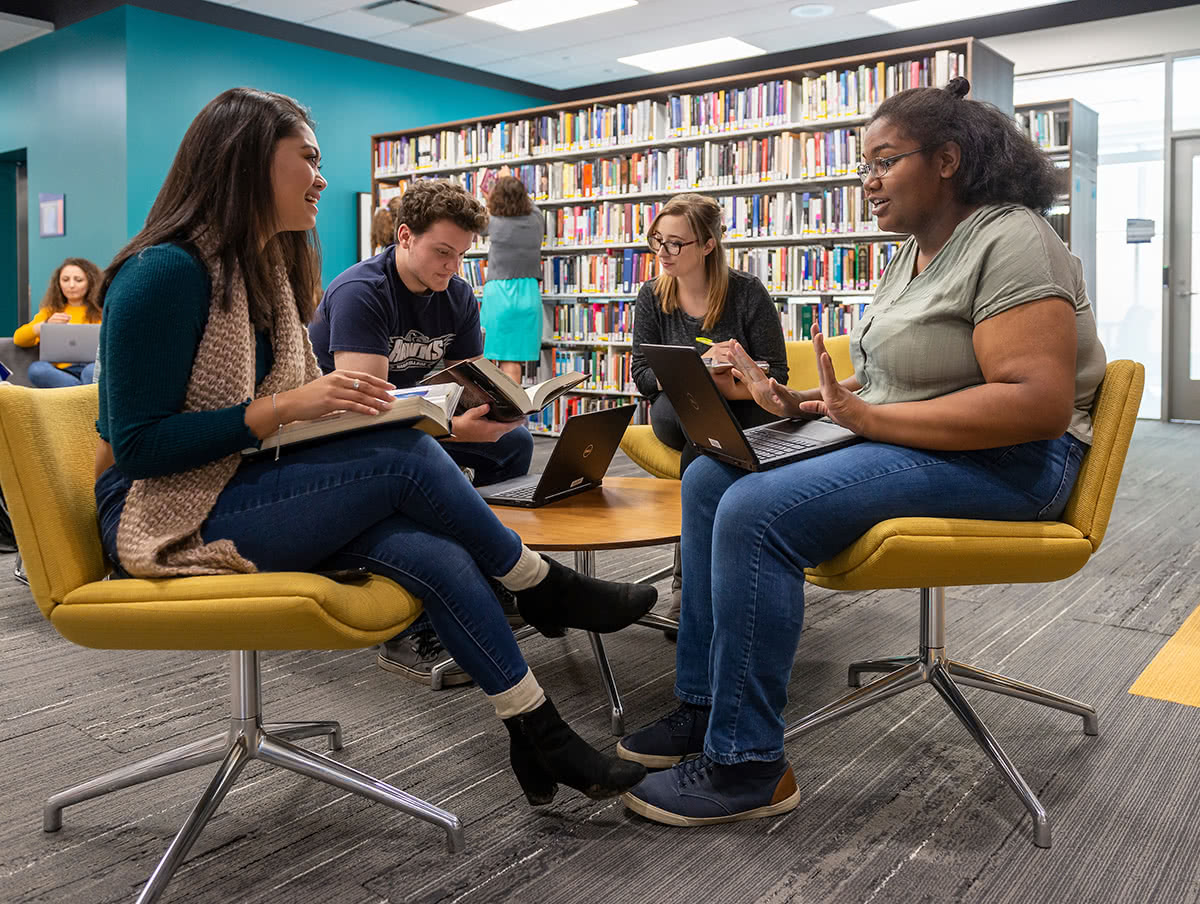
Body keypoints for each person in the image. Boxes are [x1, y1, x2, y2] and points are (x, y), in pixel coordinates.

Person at [93, 87, 654, 809]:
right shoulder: (165, 272)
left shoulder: (269, 273)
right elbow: (137, 449)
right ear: (247, 160)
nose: (324, 178)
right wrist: (282, 408)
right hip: (163, 508)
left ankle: (535, 727)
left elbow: (290, 418)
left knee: (437, 551)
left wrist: (327, 413)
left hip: (244, 483)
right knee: (407, 458)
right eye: (309, 158)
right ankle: (539, 584)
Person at [617, 77, 1106, 826]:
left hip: (1016, 462)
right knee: (714, 472)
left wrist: (868, 421)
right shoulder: (913, 252)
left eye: (884, 162)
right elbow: (891, 382)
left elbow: (1034, 404)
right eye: (862, 166)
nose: (867, 182)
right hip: (931, 443)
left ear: (948, 160)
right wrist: (799, 404)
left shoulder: (1011, 237)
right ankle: (705, 707)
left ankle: (747, 767)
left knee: (755, 508)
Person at [309, 178, 536, 686]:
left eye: (460, 255)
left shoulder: (455, 294)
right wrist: (454, 430)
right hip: (351, 434)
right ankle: (409, 616)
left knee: (514, 443)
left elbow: (467, 379)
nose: (452, 267)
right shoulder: (361, 292)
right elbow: (364, 407)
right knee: (415, 458)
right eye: (441, 252)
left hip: (422, 425)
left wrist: (498, 409)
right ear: (405, 235)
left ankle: (483, 572)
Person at [629, 192, 789, 638]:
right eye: (657, 240)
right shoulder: (652, 295)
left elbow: (777, 370)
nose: (662, 253)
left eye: (675, 243)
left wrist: (734, 367)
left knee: (703, 450)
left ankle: (690, 587)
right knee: (699, 425)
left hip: (742, 408)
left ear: (707, 245)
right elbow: (641, 373)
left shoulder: (746, 292)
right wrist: (692, 369)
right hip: (674, 406)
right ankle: (703, 585)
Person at [482, 170, 544, 383]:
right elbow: (531, 203)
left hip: (499, 292)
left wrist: (490, 193)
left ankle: (492, 410)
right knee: (513, 363)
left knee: (487, 360)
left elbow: (476, 223)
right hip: (528, 292)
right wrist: (513, 182)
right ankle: (512, 412)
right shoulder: (536, 220)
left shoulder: (492, 222)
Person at [15, 257, 103, 387]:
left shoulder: (101, 311)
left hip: (91, 367)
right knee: (37, 369)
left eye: (78, 280)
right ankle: (81, 394)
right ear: (58, 283)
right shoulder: (50, 311)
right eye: (65, 280)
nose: (71, 285)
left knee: (91, 372)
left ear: (90, 282)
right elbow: (18, 339)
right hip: (59, 372)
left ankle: (72, 396)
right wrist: (44, 326)